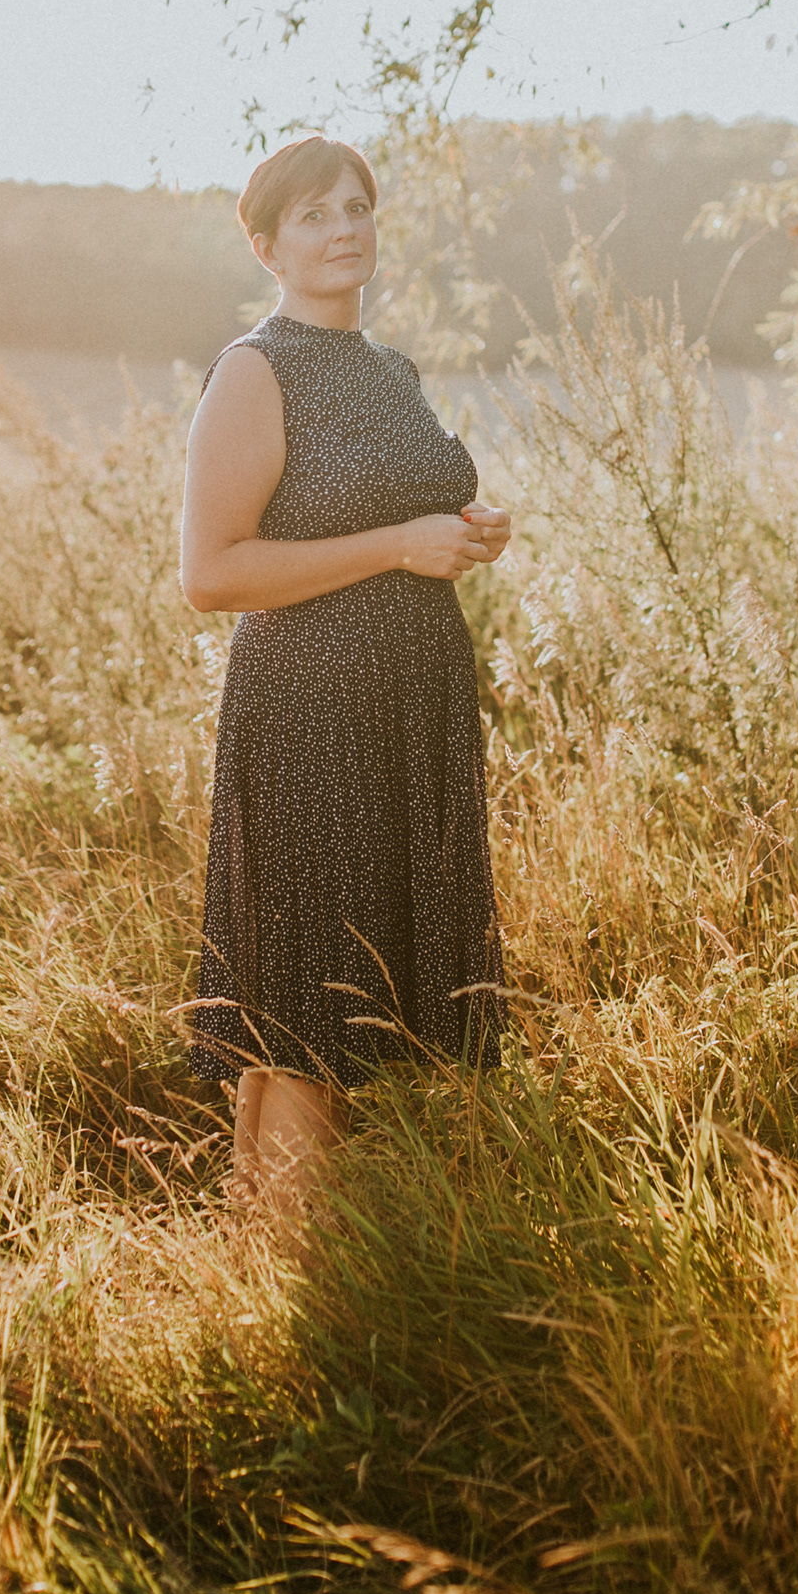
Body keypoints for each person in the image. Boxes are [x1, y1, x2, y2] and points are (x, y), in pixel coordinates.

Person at [178, 135, 511, 1228]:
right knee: (313, 999)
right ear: (268, 247)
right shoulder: (255, 370)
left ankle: (262, 1248)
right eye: (315, 214)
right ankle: (298, 1273)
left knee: (341, 996)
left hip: (406, 712)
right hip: (310, 715)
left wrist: (462, 532)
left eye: (357, 206)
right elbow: (210, 573)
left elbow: (393, 518)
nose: (345, 229)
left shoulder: (390, 372)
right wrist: (399, 545)